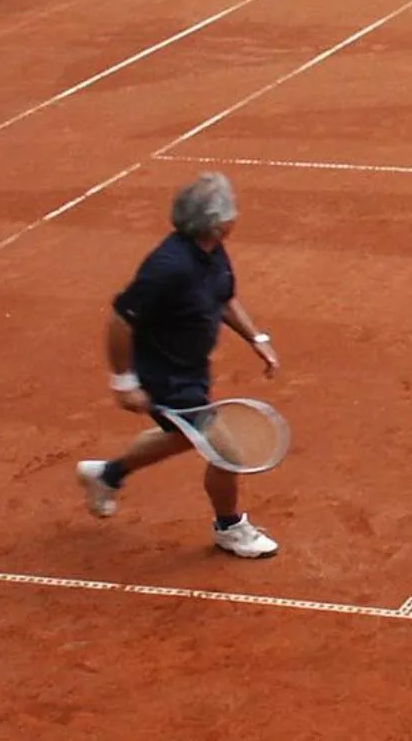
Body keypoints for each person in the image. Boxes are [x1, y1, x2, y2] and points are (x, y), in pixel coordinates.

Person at [76, 172, 283, 558]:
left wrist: (257, 339)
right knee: (227, 454)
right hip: (165, 376)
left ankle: (107, 475)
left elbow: (223, 298)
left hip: (190, 368)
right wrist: (124, 382)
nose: (237, 215)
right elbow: (121, 318)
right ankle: (229, 527)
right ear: (217, 223)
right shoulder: (168, 267)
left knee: (183, 435)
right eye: (232, 210)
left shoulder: (212, 251)